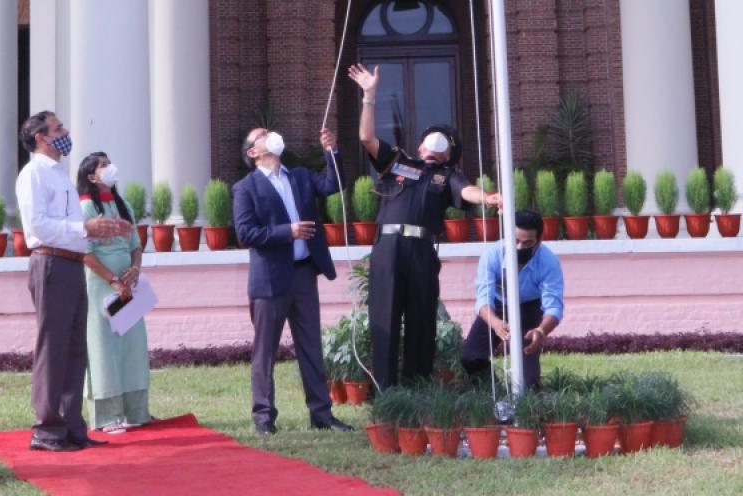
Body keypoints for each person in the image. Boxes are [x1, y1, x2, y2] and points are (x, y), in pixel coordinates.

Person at [348, 63, 503, 390]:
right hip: (388, 248)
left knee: (421, 319)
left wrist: (488, 198)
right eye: (432, 140)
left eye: (445, 143)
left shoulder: (447, 176)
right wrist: (369, 96)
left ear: (449, 156)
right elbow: (366, 138)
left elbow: (466, 191)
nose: (436, 144)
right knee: (384, 318)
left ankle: (416, 389)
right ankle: (385, 393)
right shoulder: (398, 162)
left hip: (421, 250)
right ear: (419, 147)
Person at [16, 111, 132, 452]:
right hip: (51, 262)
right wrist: (84, 228)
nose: (66, 132)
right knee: (53, 347)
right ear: (41, 137)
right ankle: (47, 429)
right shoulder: (34, 174)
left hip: (71, 263)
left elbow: (74, 228)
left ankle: (71, 427)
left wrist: (100, 229)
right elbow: (37, 226)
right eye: (58, 128)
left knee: (73, 348)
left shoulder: (58, 174)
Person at [233, 127, 353, 434]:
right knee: (265, 352)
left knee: (311, 346)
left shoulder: (299, 176)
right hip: (269, 280)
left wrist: (331, 151)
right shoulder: (246, 188)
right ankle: (264, 418)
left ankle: (321, 415)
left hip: (303, 274)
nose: (271, 134)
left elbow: (333, 184)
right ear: (253, 152)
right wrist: (289, 232)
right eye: (263, 134)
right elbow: (246, 234)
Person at [76, 152, 152, 434]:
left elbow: (135, 245)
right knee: (103, 346)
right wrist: (113, 280)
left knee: (133, 345)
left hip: (127, 286)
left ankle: (136, 411)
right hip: (101, 286)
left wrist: (134, 269)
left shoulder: (123, 205)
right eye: (103, 166)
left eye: (109, 163)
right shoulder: (84, 208)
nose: (110, 168)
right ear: (91, 176)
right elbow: (84, 253)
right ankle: (107, 416)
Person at [461, 210, 565, 390]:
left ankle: (528, 399)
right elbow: (483, 298)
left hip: (530, 308)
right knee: (471, 357)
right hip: (496, 306)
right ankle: (492, 391)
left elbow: (554, 307)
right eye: (515, 240)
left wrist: (541, 331)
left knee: (528, 384)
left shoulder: (549, 262)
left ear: (539, 241)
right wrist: (496, 323)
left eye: (527, 243)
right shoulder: (492, 255)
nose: (519, 247)